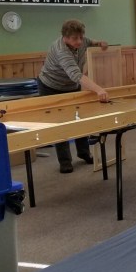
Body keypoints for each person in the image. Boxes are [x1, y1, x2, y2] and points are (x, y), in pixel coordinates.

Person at [37, 19, 109, 173]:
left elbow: (90, 41)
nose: (79, 41)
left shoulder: (81, 41)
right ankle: (65, 162)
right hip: (51, 87)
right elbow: (75, 74)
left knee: (79, 118)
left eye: (80, 37)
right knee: (60, 124)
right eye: (75, 38)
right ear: (65, 37)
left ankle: (84, 153)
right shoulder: (60, 50)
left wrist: (100, 43)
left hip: (70, 87)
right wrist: (98, 89)